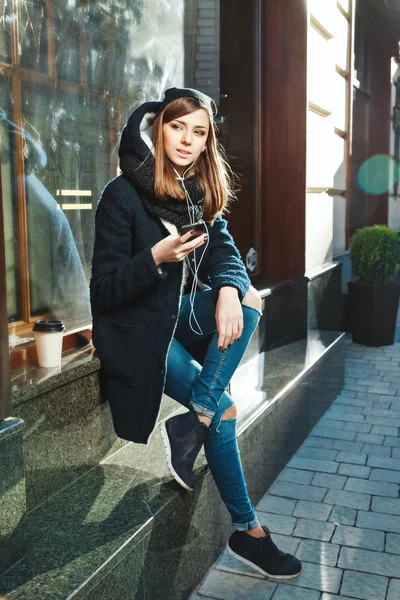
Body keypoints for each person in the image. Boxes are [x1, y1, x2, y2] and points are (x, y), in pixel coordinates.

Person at [90, 87, 302, 581]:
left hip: (178, 317)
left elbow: (225, 253)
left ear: (208, 142)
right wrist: (155, 259)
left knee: (247, 298)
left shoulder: (194, 195)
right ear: (158, 129)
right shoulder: (121, 195)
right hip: (140, 332)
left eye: (199, 132)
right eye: (177, 127)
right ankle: (248, 531)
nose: (187, 140)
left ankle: (194, 417)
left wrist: (229, 289)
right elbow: (104, 292)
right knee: (225, 411)